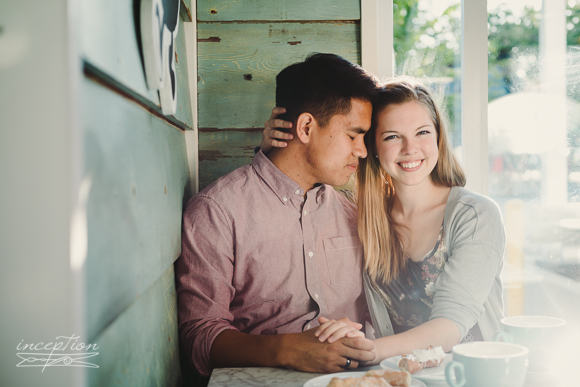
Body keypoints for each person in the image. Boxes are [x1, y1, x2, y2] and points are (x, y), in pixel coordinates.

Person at [262, 78, 505, 362]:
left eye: (422, 132)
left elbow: (450, 325)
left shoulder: (475, 215)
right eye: (392, 136)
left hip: (470, 376)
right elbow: (294, 199)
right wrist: (273, 153)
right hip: (399, 376)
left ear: (438, 137)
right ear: (373, 146)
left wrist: (370, 350)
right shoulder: (360, 216)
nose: (410, 148)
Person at [175, 53, 379, 379]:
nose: (362, 150)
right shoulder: (218, 212)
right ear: (306, 127)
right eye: (353, 135)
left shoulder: (351, 213)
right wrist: (289, 350)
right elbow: (199, 335)